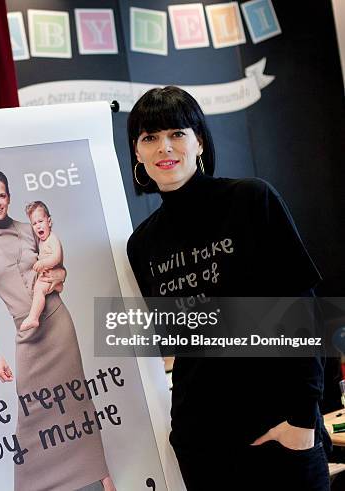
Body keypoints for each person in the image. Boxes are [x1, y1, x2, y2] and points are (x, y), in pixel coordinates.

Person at [126, 86, 329, 490]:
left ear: (199, 140)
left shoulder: (251, 199)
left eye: (176, 133)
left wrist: (302, 421)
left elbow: (302, 310)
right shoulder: (143, 243)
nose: (164, 147)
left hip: (278, 434)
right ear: (137, 153)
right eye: (149, 138)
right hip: (202, 446)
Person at [0, 169, 115, 491]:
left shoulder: (29, 229)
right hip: (27, 333)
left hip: (57, 322)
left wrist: (57, 279)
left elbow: (58, 267)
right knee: (32, 416)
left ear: (9, 196)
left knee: (77, 402)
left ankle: (102, 479)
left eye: (2, 195)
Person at [20, 200, 64, 331]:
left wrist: (43, 263)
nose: (38, 226)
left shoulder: (52, 239)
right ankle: (57, 285)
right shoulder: (41, 241)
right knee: (38, 288)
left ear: (49, 222)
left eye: (40, 221)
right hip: (50, 277)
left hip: (52, 274)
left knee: (38, 290)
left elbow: (56, 257)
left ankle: (33, 317)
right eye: (34, 223)